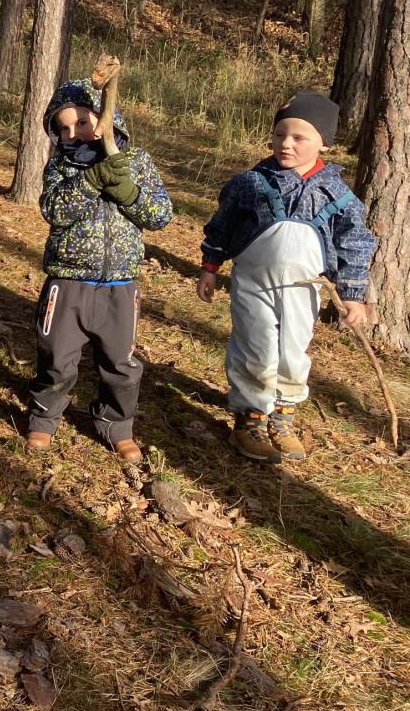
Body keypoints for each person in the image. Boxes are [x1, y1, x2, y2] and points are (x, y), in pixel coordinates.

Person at [197, 91, 375, 463]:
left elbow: (354, 243)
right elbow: (223, 226)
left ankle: (283, 414)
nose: (286, 144)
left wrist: (353, 294)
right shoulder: (250, 183)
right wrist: (210, 266)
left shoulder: (337, 194)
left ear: (324, 142)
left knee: (293, 350)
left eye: (298, 137)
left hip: (303, 289)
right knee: (256, 346)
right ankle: (250, 417)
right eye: (280, 134)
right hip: (253, 284)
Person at [25, 79, 173, 463]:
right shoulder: (61, 166)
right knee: (56, 357)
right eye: (62, 128)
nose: (72, 133)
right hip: (68, 282)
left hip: (120, 285)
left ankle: (116, 424)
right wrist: (91, 181)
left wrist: (129, 193)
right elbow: (54, 211)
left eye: (81, 122)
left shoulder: (136, 162)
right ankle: (44, 418)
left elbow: (160, 215)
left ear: (106, 119)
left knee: (121, 364)